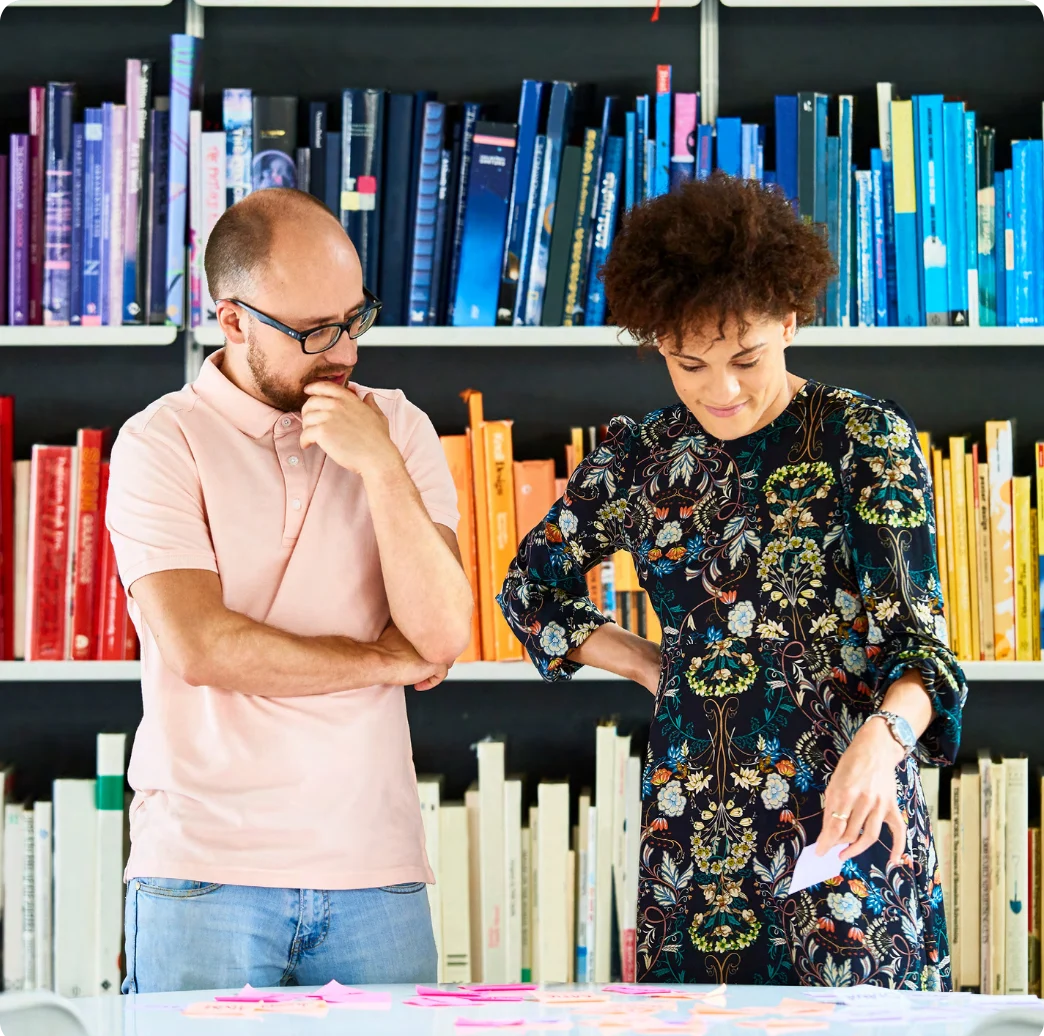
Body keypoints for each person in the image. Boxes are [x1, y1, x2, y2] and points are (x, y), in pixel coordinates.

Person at [498, 173, 966, 989]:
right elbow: (529, 591)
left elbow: (922, 649)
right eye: (689, 363)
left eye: (746, 358)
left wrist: (882, 742)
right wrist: (652, 666)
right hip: (694, 838)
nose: (722, 390)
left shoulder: (862, 438)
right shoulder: (641, 457)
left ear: (790, 318)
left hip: (846, 818)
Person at [106, 188, 473, 992]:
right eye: (312, 331)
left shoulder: (397, 428)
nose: (343, 351)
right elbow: (203, 648)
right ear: (233, 320)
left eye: (354, 319)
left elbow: (443, 636)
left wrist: (376, 464)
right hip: (203, 873)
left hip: (377, 871)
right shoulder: (159, 443)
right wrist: (384, 662)